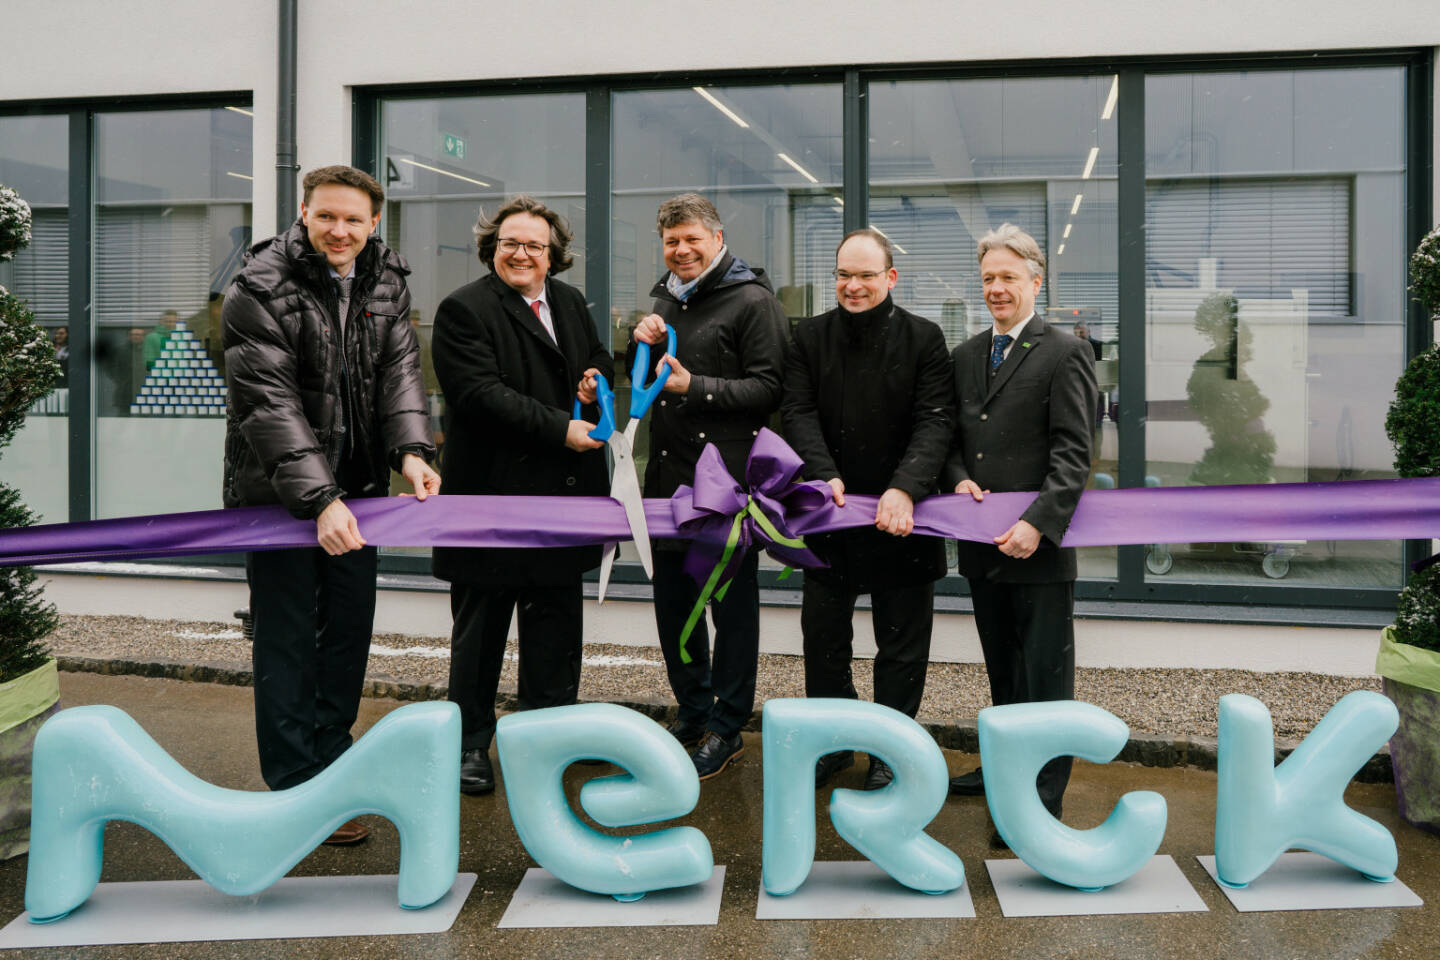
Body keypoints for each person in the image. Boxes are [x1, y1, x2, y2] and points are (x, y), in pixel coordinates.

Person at [223, 164, 439, 845]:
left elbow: (400, 375)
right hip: (281, 497)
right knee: (288, 640)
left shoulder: (387, 281)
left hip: (364, 492)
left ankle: (332, 766)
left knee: (346, 633)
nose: (339, 230)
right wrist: (319, 499)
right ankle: (295, 789)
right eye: (327, 216)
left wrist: (413, 452)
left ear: (375, 223)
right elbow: (268, 403)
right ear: (304, 213)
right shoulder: (257, 285)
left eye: (353, 219)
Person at [430, 196, 612, 795]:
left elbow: (595, 358)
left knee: (556, 632)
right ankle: (470, 744)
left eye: (535, 244)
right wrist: (563, 427)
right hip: (492, 499)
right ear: (492, 247)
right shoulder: (464, 310)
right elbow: (481, 395)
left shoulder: (568, 301)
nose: (521, 253)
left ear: (553, 255)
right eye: (510, 241)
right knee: (480, 634)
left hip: (562, 500)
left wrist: (594, 379)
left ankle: (549, 737)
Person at [781, 228, 954, 791]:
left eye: (865, 276)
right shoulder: (808, 336)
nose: (853, 286)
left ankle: (890, 749)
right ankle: (833, 743)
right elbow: (798, 412)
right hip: (829, 516)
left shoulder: (925, 339)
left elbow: (935, 421)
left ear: (890, 277)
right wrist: (822, 472)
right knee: (822, 639)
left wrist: (905, 487)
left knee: (901, 646)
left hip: (904, 519)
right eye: (843, 275)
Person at [943, 223, 1097, 837]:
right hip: (983, 546)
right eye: (988, 279)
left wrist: (1039, 524)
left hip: (1037, 549)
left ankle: (1040, 799)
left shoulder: (1065, 352)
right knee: (1002, 669)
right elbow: (953, 440)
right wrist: (956, 481)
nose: (997, 289)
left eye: (1008, 277)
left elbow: (1075, 453)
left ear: (1037, 281)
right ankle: (1004, 764)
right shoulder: (964, 356)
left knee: (1044, 677)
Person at [629, 193, 787, 780]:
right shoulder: (662, 298)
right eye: (672, 241)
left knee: (730, 606)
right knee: (673, 605)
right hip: (667, 480)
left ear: (718, 239)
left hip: (726, 486)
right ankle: (693, 712)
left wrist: (696, 387)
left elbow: (770, 389)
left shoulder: (754, 302)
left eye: (692, 238)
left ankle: (728, 725)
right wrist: (638, 341)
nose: (682, 250)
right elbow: (645, 383)